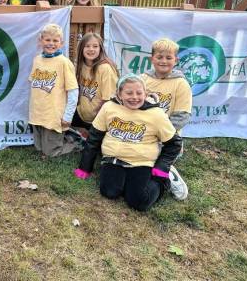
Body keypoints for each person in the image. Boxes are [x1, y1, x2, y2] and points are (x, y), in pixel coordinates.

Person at [74, 74, 189, 211]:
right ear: (119, 94)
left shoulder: (156, 114)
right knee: (109, 192)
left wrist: (162, 166)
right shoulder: (109, 108)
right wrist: (85, 167)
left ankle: (165, 179)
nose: (134, 97)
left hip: (142, 162)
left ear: (145, 94)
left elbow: (174, 143)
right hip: (114, 159)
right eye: (129, 93)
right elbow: (94, 138)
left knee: (139, 201)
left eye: (139, 93)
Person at [28, 23, 80, 157]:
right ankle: (49, 147)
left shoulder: (64, 62)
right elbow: (34, 85)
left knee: (51, 152)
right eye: (47, 40)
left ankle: (76, 141)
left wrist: (68, 116)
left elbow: (73, 91)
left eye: (55, 40)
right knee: (39, 148)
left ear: (61, 43)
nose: (51, 43)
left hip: (54, 114)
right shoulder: (37, 60)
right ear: (41, 41)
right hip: (38, 112)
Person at [141, 38, 192, 133]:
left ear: (176, 60)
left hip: (168, 139)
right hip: (143, 135)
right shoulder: (142, 80)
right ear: (151, 59)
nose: (164, 61)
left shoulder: (181, 84)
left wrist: (161, 133)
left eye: (168, 58)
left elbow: (182, 116)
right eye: (159, 57)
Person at [73, 33, 119, 137]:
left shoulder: (105, 68)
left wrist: (97, 122)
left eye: (95, 46)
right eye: (87, 46)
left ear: (101, 49)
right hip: (82, 114)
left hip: (98, 119)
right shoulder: (80, 65)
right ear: (81, 48)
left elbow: (108, 100)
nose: (91, 49)